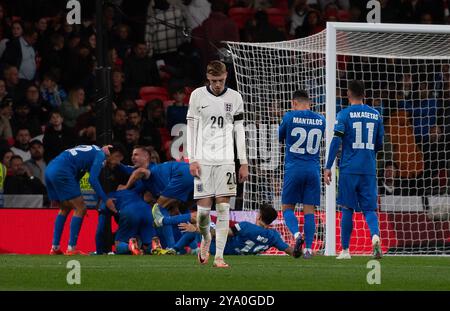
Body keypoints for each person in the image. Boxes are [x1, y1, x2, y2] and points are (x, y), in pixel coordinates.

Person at [186, 60, 248, 268]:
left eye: (220, 80)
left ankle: (219, 257)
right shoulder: (197, 95)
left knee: (223, 209)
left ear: (226, 76)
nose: (217, 85)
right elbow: (191, 127)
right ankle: (206, 238)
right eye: (213, 81)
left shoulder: (235, 97)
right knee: (203, 215)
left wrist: (243, 162)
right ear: (207, 78)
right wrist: (191, 158)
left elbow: (239, 131)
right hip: (203, 160)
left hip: (226, 160)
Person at [324, 80, 384, 260]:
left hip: (349, 168)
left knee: (347, 208)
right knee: (370, 209)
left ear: (348, 94)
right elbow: (379, 143)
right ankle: (375, 236)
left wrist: (328, 166)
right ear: (364, 94)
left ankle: (345, 251)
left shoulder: (343, 115)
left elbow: (336, 141)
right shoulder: (376, 114)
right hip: (368, 168)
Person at [278, 90, 326, 259]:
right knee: (309, 211)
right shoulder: (321, 119)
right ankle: (309, 250)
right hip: (313, 169)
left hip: (294, 168)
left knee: (287, 208)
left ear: (294, 103)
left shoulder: (289, 116)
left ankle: (298, 236)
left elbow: (280, 137)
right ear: (310, 103)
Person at [120, 146, 194, 249]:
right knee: (182, 211)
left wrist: (126, 187)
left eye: (136, 154)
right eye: (132, 155)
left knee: (158, 209)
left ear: (146, 157)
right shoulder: (158, 174)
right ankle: (194, 247)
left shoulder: (150, 169)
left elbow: (140, 172)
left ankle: (171, 247)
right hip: (192, 173)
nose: (132, 157)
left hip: (182, 174)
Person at [46, 144, 116, 255]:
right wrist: (106, 199)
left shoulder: (89, 151)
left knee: (65, 208)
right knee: (81, 208)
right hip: (62, 171)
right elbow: (92, 180)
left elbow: (77, 175)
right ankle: (72, 248)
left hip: (50, 169)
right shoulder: (100, 155)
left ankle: (55, 248)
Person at [158, 203, 299, 257]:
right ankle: (177, 249)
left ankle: (162, 220)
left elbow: (219, 234)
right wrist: (299, 249)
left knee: (198, 217)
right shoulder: (273, 236)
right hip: (239, 253)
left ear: (259, 216)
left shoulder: (245, 226)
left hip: (218, 249)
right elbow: (291, 252)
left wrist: (196, 229)